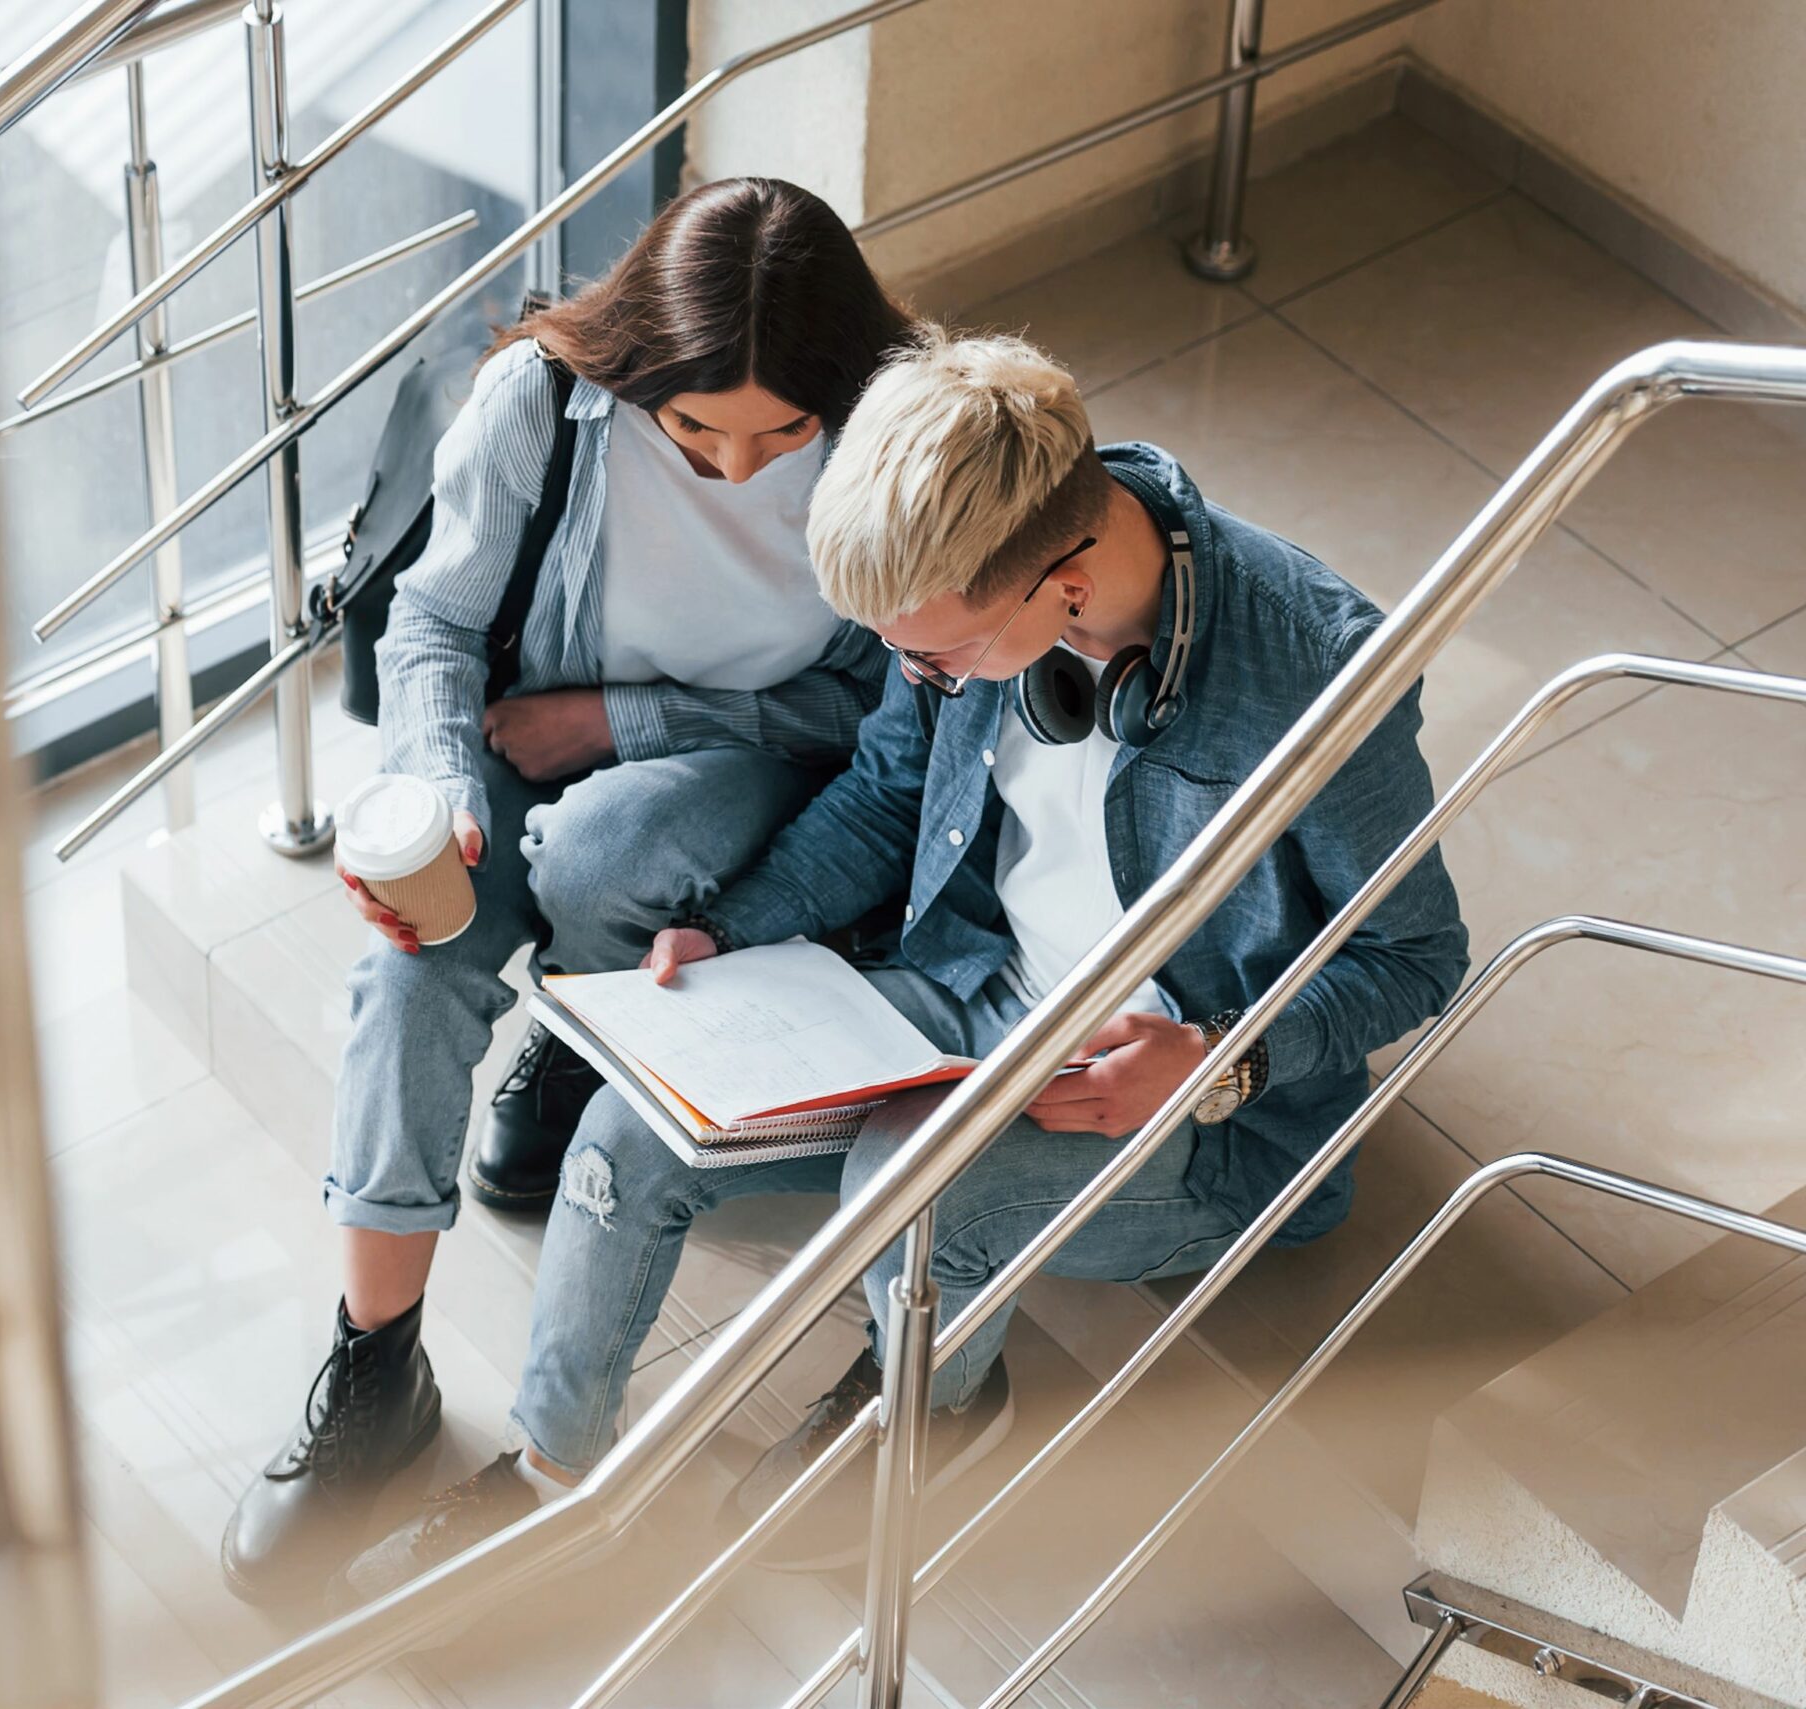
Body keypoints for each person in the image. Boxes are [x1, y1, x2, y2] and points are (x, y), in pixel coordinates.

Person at [338, 327, 1470, 1596]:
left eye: (937, 657)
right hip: (968, 987)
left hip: (1189, 1103)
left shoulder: (1319, 669)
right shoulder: (966, 605)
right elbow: (885, 795)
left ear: (1070, 578)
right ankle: (552, 1487)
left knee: (906, 1187)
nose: (918, 677)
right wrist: (735, 928)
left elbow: (1418, 957)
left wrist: (1219, 1063)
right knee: (617, 1133)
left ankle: (933, 1400)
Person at [223, 178, 920, 1603]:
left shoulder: (894, 435)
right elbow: (433, 619)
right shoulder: (542, 400)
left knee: (604, 853)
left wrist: (620, 720)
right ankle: (375, 1372)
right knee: (411, 970)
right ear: (648, 371)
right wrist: (434, 799)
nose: (740, 467)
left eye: (781, 433)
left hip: (742, 748)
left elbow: (861, 703)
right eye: (699, 430)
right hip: (516, 743)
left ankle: (583, 1041)